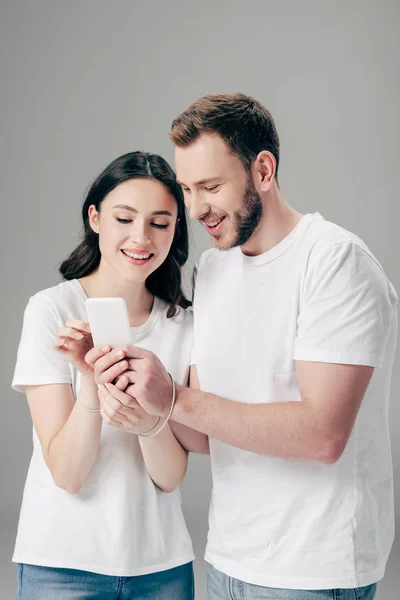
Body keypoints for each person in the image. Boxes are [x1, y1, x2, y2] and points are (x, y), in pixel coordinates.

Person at [94, 94, 398, 600]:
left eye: (211, 187)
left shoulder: (334, 261)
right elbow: (205, 436)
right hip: (228, 562)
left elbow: (322, 436)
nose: (196, 209)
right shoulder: (214, 269)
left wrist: (171, 397)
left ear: (263, 170)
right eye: (188, 190)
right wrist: (133, 387)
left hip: (312, 572)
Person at [11, 151, 199, 600]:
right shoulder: (52, 311)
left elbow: (171, 477)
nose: (141, 237)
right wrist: (93, 382)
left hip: (161, 568)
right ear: (95, 218)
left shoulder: (183, 324)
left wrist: (148, 420)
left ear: (175, 231)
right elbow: (69, 473)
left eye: (160, 222)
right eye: (124, 218)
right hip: (61, 565)